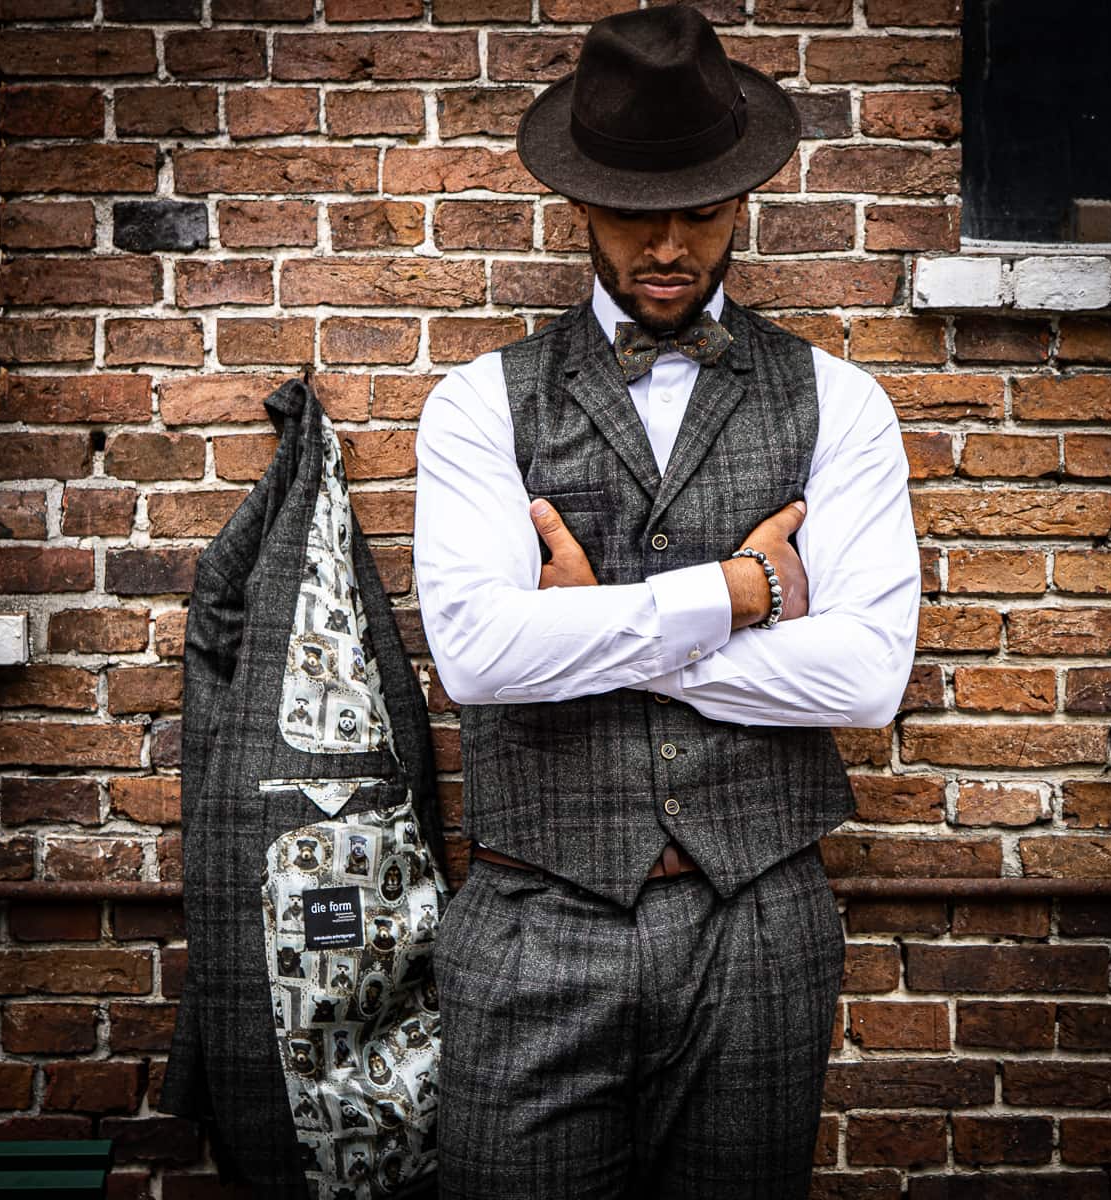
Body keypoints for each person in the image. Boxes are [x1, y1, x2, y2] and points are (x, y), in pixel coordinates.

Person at [413, 6, 921, 1198]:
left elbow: (864, 678)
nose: (669, 245)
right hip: (536, 921)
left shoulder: (842, 404)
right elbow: (479, 655)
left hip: (761, 925)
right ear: (581, 205)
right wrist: (741, 594)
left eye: (699, 211)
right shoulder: (479, 404)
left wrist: (594, 629)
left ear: (742, 200)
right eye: (636, 213)